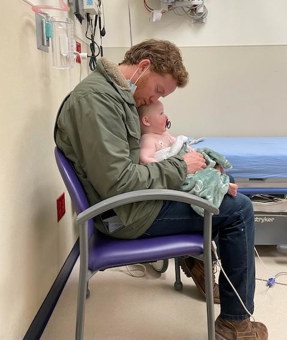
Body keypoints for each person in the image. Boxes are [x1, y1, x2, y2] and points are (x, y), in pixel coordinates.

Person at [54, 39, 268, 340]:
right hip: (127, 215)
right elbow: (119, 183)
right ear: (143, 67)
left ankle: (198, 264)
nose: (152, 100)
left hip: (132, 203)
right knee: (239, 210)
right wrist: (182, 167)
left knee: (211, 192)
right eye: (157, 90)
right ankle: (236, 324)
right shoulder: (97, 101)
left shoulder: (114, 96)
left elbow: (134, 163)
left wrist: (190, 164)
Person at [137, 100, 239, 213]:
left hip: (182, 165)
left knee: (207, 160)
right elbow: (145, 159)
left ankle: (219, 177)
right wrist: (170, 167)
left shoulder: (164, 134)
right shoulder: (148, 139)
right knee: (200, 179)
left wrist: (191, 153)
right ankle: (223, 186)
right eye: (161, 113)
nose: (166, 116)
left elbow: (178, 145)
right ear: (146, 120)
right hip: (177, 173)